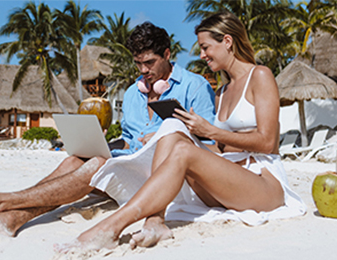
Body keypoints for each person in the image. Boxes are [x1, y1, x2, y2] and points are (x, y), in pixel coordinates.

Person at [54, 11, 306, 254]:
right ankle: (155, 221)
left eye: (206, 47)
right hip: (230, 175)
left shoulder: (260, 76)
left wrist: (209, 131)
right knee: (172, 127)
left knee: (181, 143)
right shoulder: (222, 90)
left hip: (263, 182)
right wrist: (187, 134)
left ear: (227, 41)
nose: (202, 54)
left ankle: (111, 227)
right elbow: (220, 149)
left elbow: (267, 141)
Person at [0, 22, 216, 237]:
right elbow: (127, 142)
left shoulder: (195, 86)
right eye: (138, 63)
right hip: (129, 168)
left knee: (96, 165)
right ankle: (10, 220)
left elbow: (211, 147)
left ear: (168, 55)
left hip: (165, 182)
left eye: (149, 62)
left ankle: (3, 200)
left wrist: (166, 135)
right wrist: (104, 143)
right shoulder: (131, 94)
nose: (143, 70)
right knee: (75, 160)